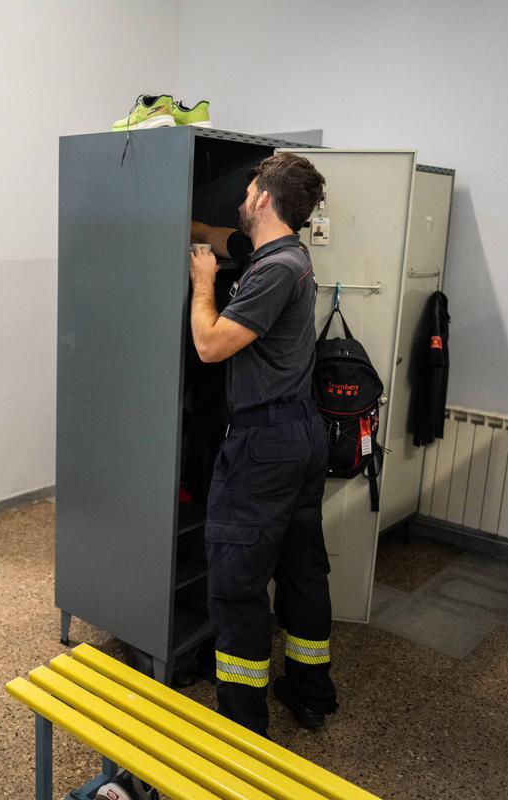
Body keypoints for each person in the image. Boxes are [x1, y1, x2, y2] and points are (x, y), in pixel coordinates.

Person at [188, 152, 337, 736]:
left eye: (249, 190)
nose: (242, 199)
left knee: (236, 583)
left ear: (265, 200)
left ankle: (241, 723)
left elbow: (210, 345)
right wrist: (194, 232)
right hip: (300, 433)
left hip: (263, 446)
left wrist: (203, 284)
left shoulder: (272, 272)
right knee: (302, 572)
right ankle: (309, 690)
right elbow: (223, 237)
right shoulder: (285, 255)